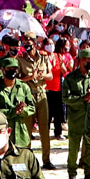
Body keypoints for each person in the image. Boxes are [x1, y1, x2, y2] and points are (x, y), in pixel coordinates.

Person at [62, 49, 90, 179]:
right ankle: (72, 173)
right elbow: (66, 98)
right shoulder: (70, 78)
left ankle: (88, 172)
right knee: (74, 147)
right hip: (76, 118)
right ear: (81, 60)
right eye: (89, 60)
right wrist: (82, 99)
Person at [18, 32, 55, 169]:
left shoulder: (43, 57)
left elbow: (50, 76)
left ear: (35, 43)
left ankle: (46, 160)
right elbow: (17, 79)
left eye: (30, 41)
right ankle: (27, 160)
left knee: (44, 129)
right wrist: (30, 77)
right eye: (25, 41)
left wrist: (42, 75)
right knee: (27, 129)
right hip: (27, 96)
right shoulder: (20, 58)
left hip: (42, 95)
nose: (27, 43)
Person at [0, 57, 35, 148]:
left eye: (15, 69)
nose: (12, 71)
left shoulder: (23, 87)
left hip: (20, 133)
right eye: (9, 69)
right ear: (2, 69)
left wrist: (22, 110)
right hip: (1, 132)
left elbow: (32, 107)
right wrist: (12, 111)